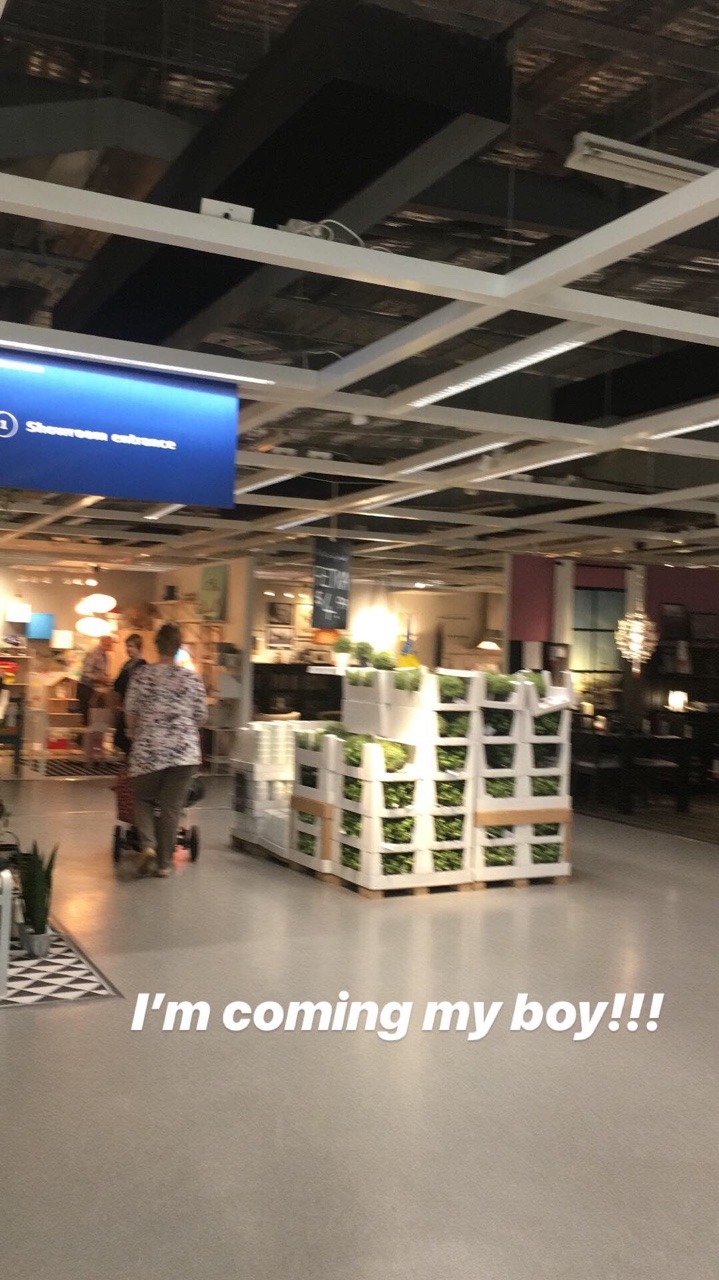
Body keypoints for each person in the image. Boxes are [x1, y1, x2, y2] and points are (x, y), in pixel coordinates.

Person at [124, 622, 207, 878]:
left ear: (156, 645)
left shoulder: (141, 676)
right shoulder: (191, 678)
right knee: (172, 807)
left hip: (149, 749)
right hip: (184, 753)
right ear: (179, 647)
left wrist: (133, 732)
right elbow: (201, 716)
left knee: (142, 798)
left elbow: (130, 713)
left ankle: (148, 845)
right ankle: (164, 864)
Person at [112, 634, 146, 755]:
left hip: (133, 710)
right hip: (123, 706)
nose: (128, 649)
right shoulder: (127, 664)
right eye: (127, 646)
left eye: (131, 646)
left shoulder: (141, 666)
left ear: (138, 647)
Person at [76, 635, 114, 725]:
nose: (110, 646)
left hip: (95, 690)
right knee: (88, 719)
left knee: (97, 718)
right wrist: (99, 678)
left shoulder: (106, 656)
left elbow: (102, 672)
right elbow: (86, 672)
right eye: (108, 644)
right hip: (86, 688)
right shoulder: (93, 653)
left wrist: (106, 679)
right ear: (102, 642)